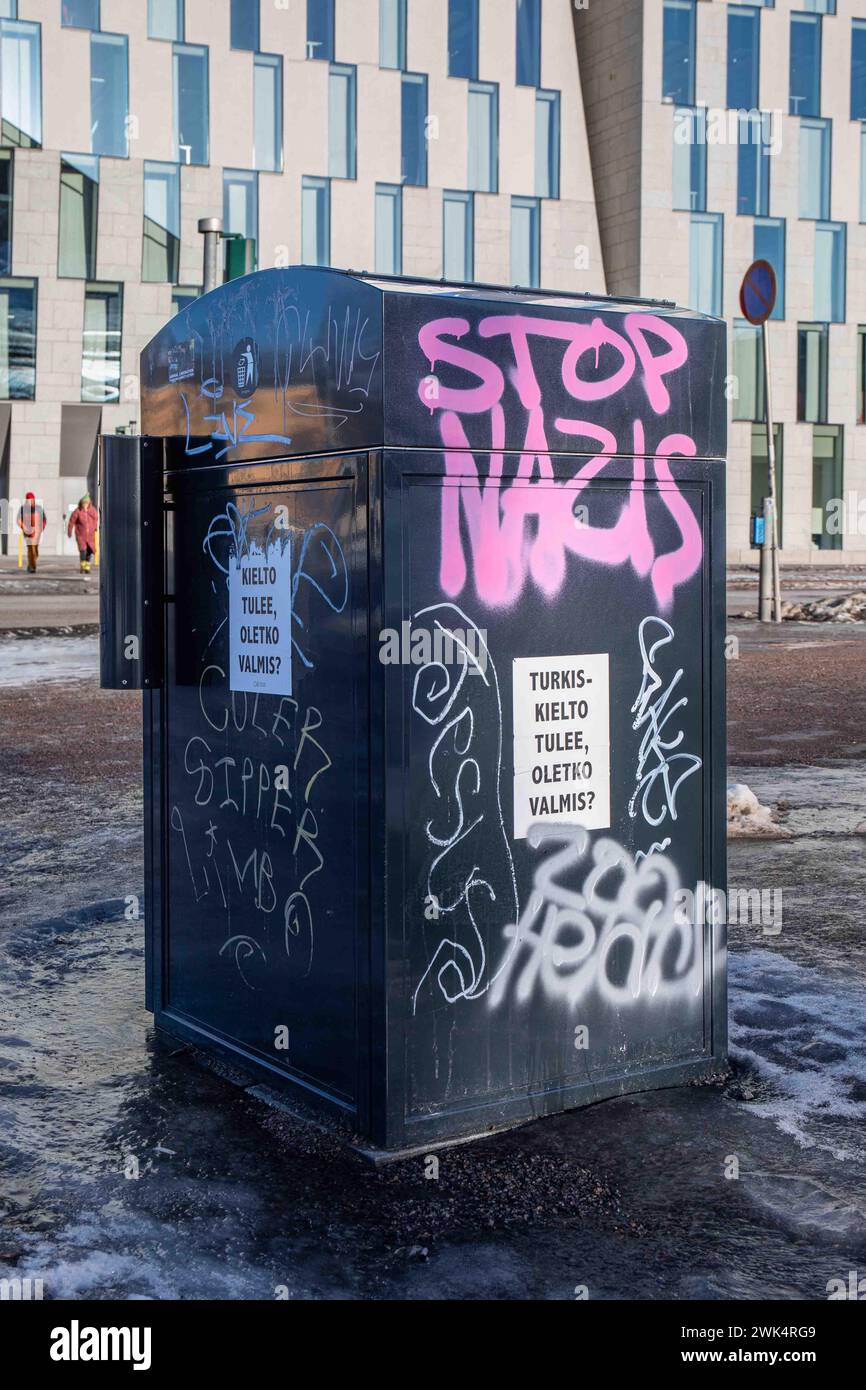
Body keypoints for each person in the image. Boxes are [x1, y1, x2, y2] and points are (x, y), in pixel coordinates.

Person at [67, 494, 100, 575]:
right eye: (83, 503)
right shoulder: (78, 511)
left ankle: (87, 567)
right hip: (81, 535)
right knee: (83, 551)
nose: (85, 505)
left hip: (90, 536)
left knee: (89, 551)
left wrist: (96, 528)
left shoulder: (92, 511)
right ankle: (83, 566)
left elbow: (96, 519)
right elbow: (72, 522)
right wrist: (70, 531)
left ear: (89, 503)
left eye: (86, 503)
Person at [17, 492, 47, 574]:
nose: (30, 501)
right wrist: (25, 528)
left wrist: (41, 529)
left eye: (31, 499)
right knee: (31, 550)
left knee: (35, 551)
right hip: (28, 532)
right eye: (28, 500)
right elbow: (19, 520)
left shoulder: (39, 508)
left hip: (37, 532)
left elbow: (44, 520)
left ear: (33, 500)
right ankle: (32, 567)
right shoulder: (23, 509)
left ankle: (31, 564)